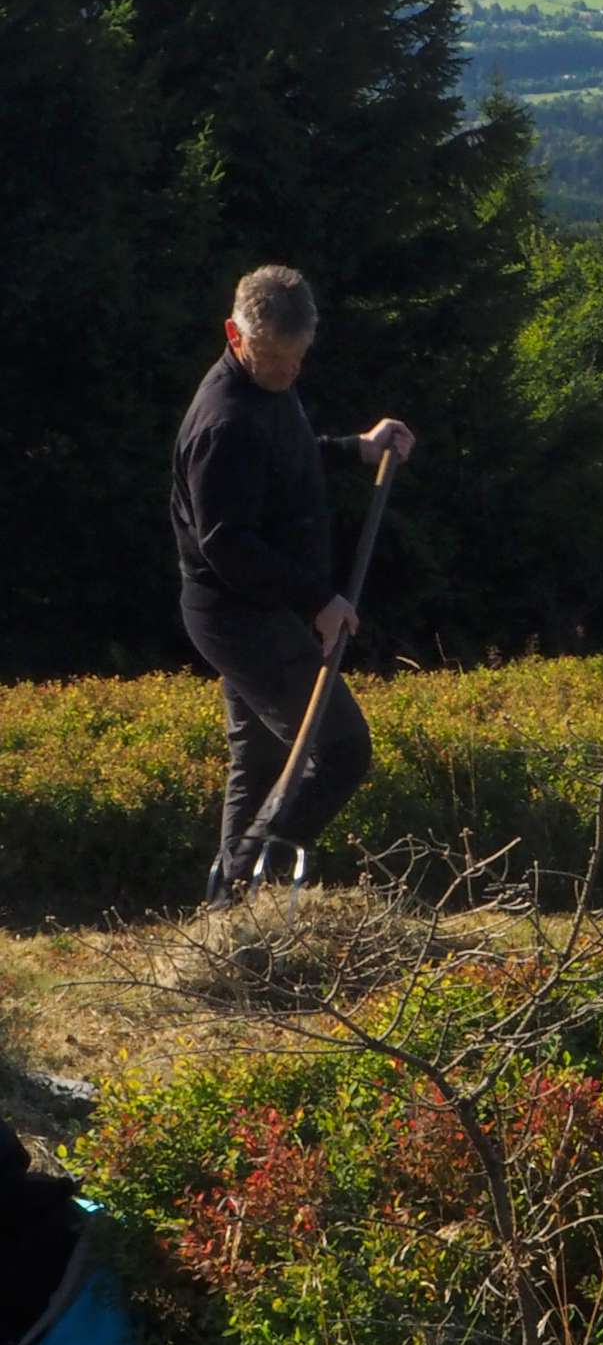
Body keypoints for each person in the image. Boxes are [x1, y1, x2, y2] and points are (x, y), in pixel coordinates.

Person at [172, 266, 415, 903]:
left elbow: (286, 457)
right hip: (240, 617)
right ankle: (255, 892)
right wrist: (320, 601)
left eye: (298, 357)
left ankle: (227, 913)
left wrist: (355, 448)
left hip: (263, 609)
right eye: (276, 358)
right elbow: (227, 542)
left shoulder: (264, 388)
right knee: (339, 750)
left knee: (257, 764)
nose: (289, 373)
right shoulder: (222, 423)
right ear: (235, 334)